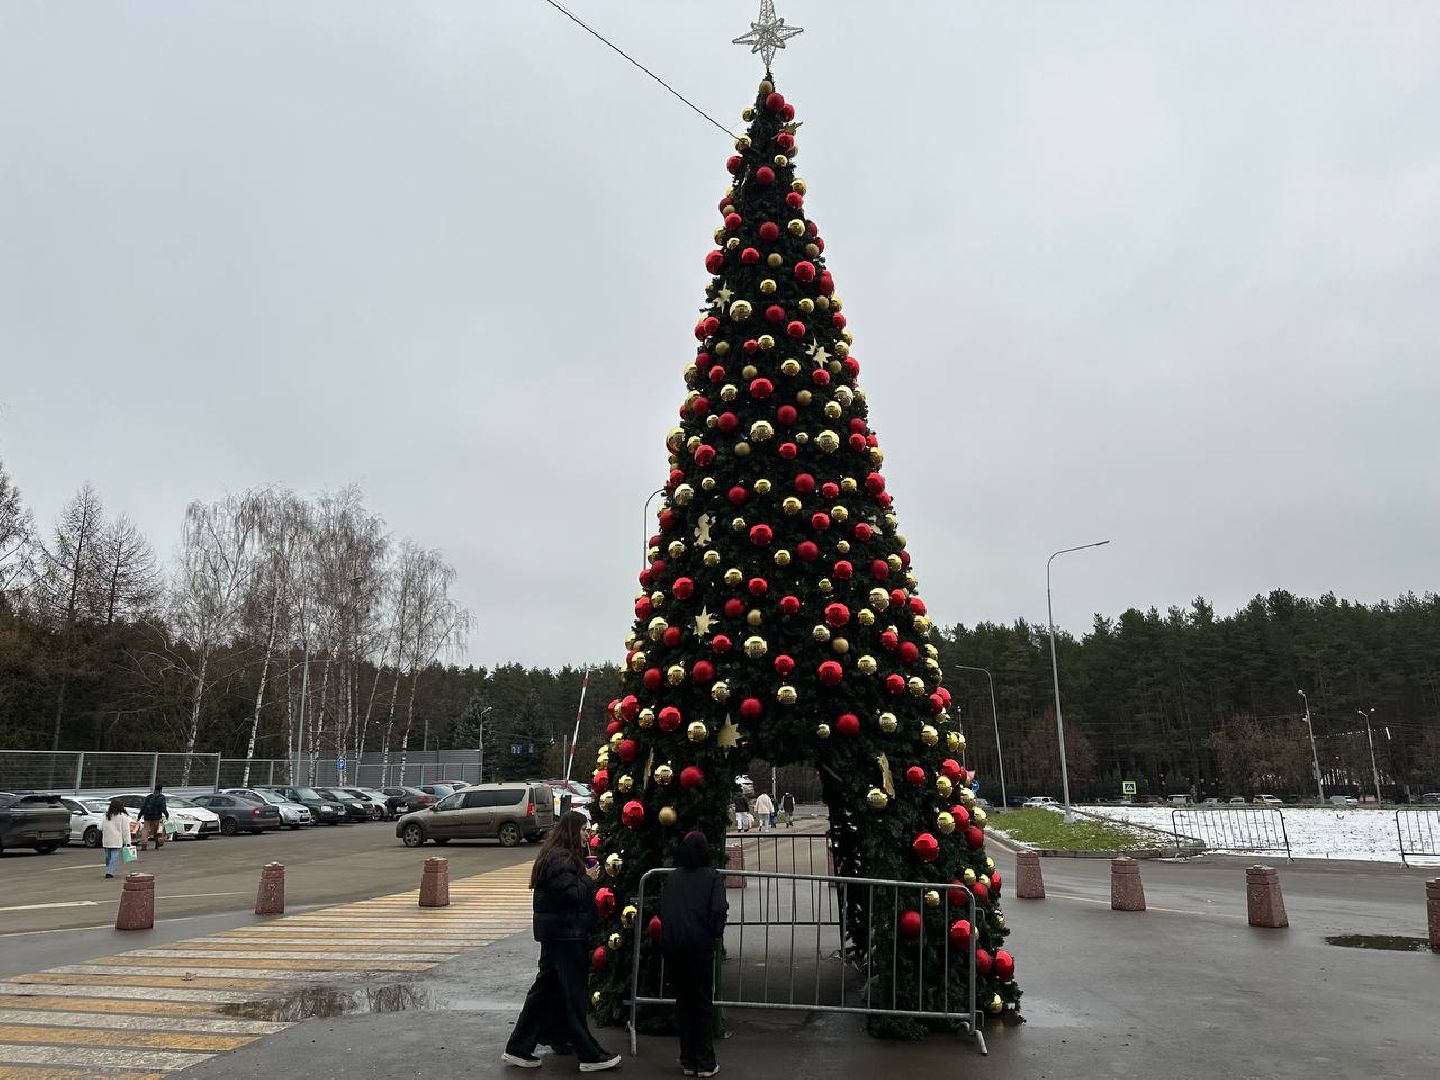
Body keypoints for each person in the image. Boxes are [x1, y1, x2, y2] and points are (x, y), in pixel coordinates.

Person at [503, 811, 620, 1072]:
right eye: (582, 829)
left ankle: (521, 1046)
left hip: (558, 933)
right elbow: (569, 895)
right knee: (573, 994)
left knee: (547, 990)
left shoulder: (557, 855)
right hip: (565, 934)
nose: (586, 834)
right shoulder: (561, 858)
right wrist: (589, 880)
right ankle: (588, 1054)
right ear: (571, 830)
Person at [661, 830, 728, 1078]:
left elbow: (665, 909)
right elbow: (718, 910)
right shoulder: (711, 877)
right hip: (699, 947)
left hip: (674, 947)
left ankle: (688, 1059)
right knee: (702, 1003)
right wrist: (714, 934)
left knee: (684, 1003)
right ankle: (705, 1061)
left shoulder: (674, 877)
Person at [100, 799, 132, 879]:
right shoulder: (123, 816)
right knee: (115, 856)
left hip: (106, 840)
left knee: (108, 856)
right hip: (117, 840)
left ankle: (109, 868)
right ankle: (110, 872)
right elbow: (125, 830)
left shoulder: (106, 815)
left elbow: (100, 827)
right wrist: (127, 842)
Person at [139, 785, 168, 850]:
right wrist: (166, 814)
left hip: (147, 817)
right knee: (157, 830)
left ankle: (144, 844)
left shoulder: (149, 797)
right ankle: (157, 843)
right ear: (161, 790)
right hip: (157, 817)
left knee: (145, 830)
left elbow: (143, 807)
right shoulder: (162, 797)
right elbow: (163, 807)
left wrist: (139, 815)